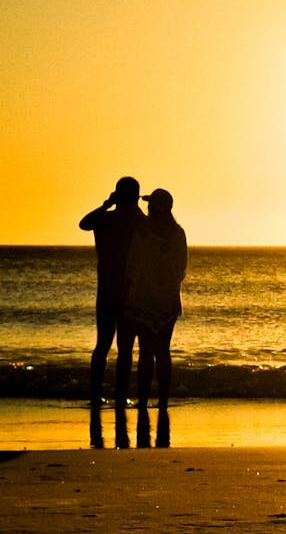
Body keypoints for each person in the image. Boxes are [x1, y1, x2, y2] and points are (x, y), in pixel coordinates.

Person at [79, 176, 145, 448]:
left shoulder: (106, 219)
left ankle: (96, 395)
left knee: (104, 345)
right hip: (127, 290)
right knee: (124, 347)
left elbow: (84, 223)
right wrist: (124, 205)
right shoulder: (136, 222)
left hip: (108, 289)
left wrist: (107, 204)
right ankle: (118, 396)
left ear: (118, 196)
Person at [124, 188, 187, 448]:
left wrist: (133, 287)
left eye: (150, 204)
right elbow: (181, 268)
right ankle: (162, 400)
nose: (148, 208)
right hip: (167, 299)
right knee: (163, 350)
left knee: (146, 351)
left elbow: (132, 263)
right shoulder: (177, 233)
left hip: (144, 297)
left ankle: (143, 398)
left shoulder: (143, 231)